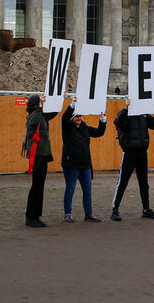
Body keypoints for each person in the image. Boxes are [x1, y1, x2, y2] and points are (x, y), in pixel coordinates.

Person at [110, 97, 154, 221]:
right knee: (123, 181)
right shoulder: (125, 112)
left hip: (142, 152)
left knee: (144, 182)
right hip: (129, 152)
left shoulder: (144, 113)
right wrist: (125, 109)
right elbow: (119, 124)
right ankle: (115, 209)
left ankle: (146, 209)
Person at [59, 98, 106, 222]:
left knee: (87, 191)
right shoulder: (67, 127)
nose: (78, 118)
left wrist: (103, 120)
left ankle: (89, 214)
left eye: (80, 116)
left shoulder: (85, 127)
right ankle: (68, 214)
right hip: (71, 164)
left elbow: (99, 132)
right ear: (72, 118)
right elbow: (64, 117)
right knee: (70, 189)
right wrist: (72, 105)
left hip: (85, 164)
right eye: (76, 116)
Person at [22, 93, 58, 227]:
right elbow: (35, 120)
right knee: (36, 186)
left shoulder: (41, 114)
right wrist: (40, 107)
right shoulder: (33, 115)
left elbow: (53, 114)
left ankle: (36, 215)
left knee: (39, 185)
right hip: (36, 154)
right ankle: (30, 217)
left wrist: (59, 100)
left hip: (42, 153)